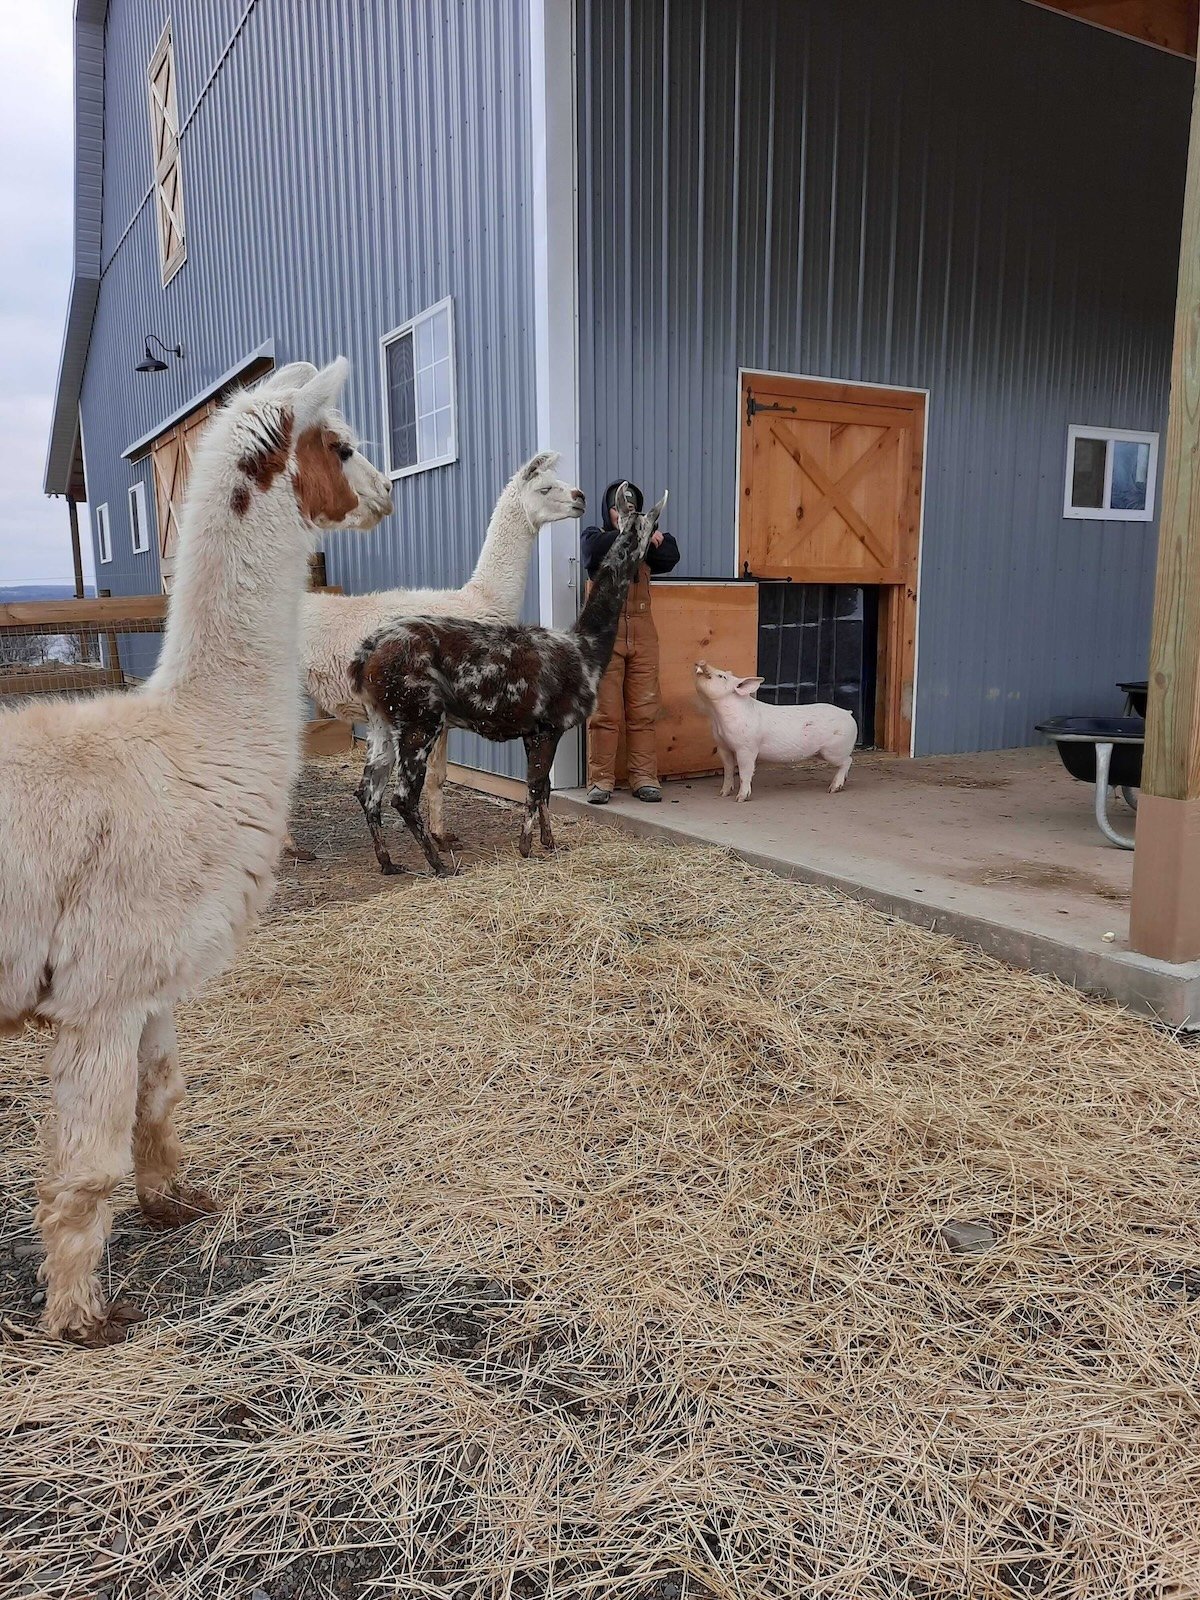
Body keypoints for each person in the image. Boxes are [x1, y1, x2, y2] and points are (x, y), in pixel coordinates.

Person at [581, 479, 681, 804]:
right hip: (605, 634)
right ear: (608, 510)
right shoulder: (594, 537)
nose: (623, 511)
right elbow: (593, 553)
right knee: (604, 713)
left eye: (630, 506)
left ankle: (644, 778)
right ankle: (600, 782)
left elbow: (670, 554)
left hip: (643, 634)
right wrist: (632, 533)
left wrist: (648, 536)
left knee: (643, 710)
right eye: (617, 506)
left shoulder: (650, 540)